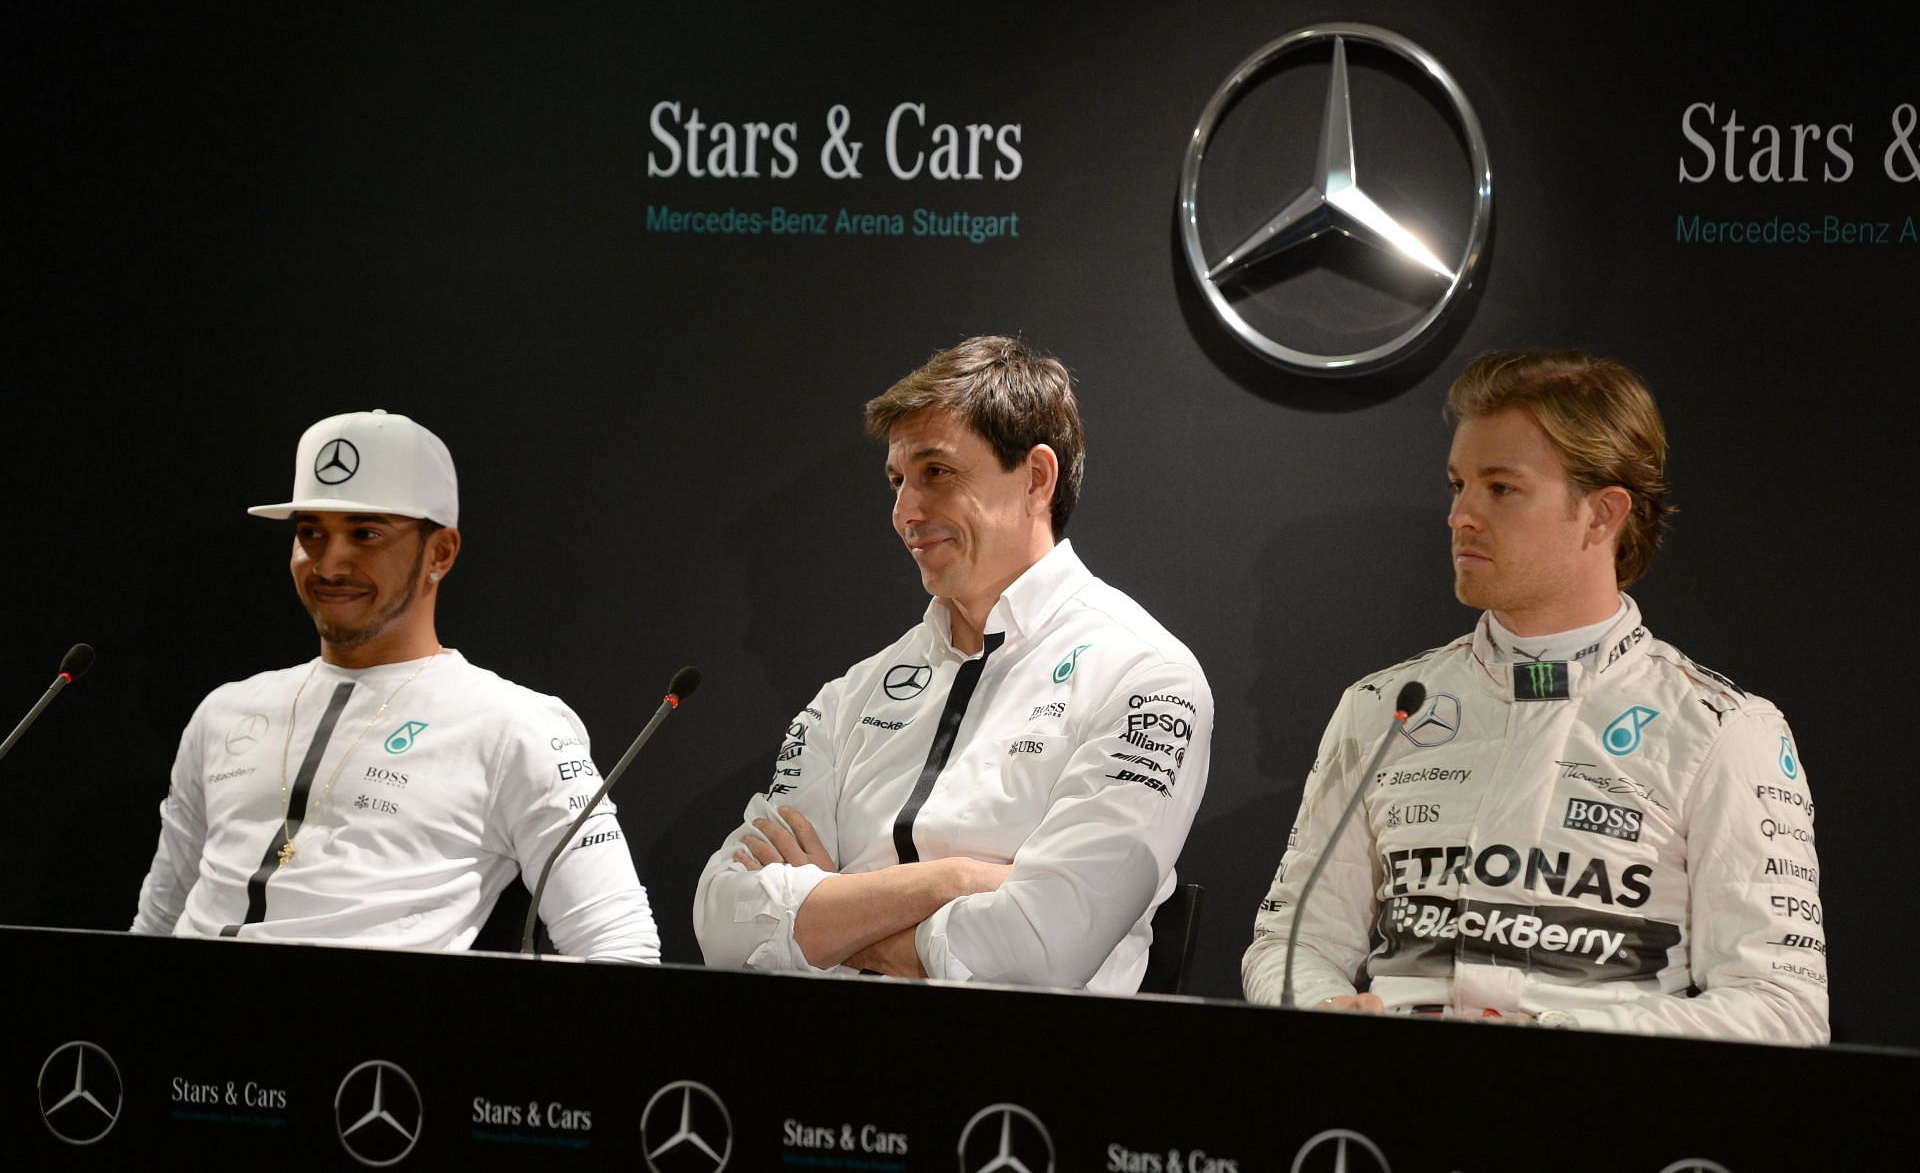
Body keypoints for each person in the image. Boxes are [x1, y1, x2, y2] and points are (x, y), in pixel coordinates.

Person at [1243, 350, 1827, 1043]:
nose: (1460, 515)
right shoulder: (1382, 706)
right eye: (1459, 484)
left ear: (1602, 514)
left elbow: (1782, 1008)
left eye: (1501, 488)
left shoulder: (1727, 730)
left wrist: (1557, 1039)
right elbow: (1291, 943)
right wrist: (1323, 1010)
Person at [694, 336, 1212, 991]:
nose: (905, 511)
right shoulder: (851, 694)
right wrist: (957, 880)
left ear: (1036, 478)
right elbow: (722, 924)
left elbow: (1040, 953)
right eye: (897, 480)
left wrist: (831, 912)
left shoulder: (1146, 678)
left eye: (936, 472)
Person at [132, 409, 659, 961]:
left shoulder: (513, 725)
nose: (329, 563)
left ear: (441, 553)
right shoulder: (224, 711)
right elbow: (155, 926)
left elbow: (619, 946)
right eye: (310, 532)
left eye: (365, 534)